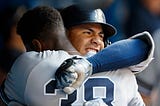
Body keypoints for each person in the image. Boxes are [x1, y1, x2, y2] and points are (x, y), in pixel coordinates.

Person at [2, 6, 154, 106]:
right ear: (64, 34)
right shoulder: (124, 69)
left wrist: (88, 65)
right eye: (87, 32)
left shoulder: (32, 65)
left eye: (101, 36)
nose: (96, 40)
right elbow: (142, 46)